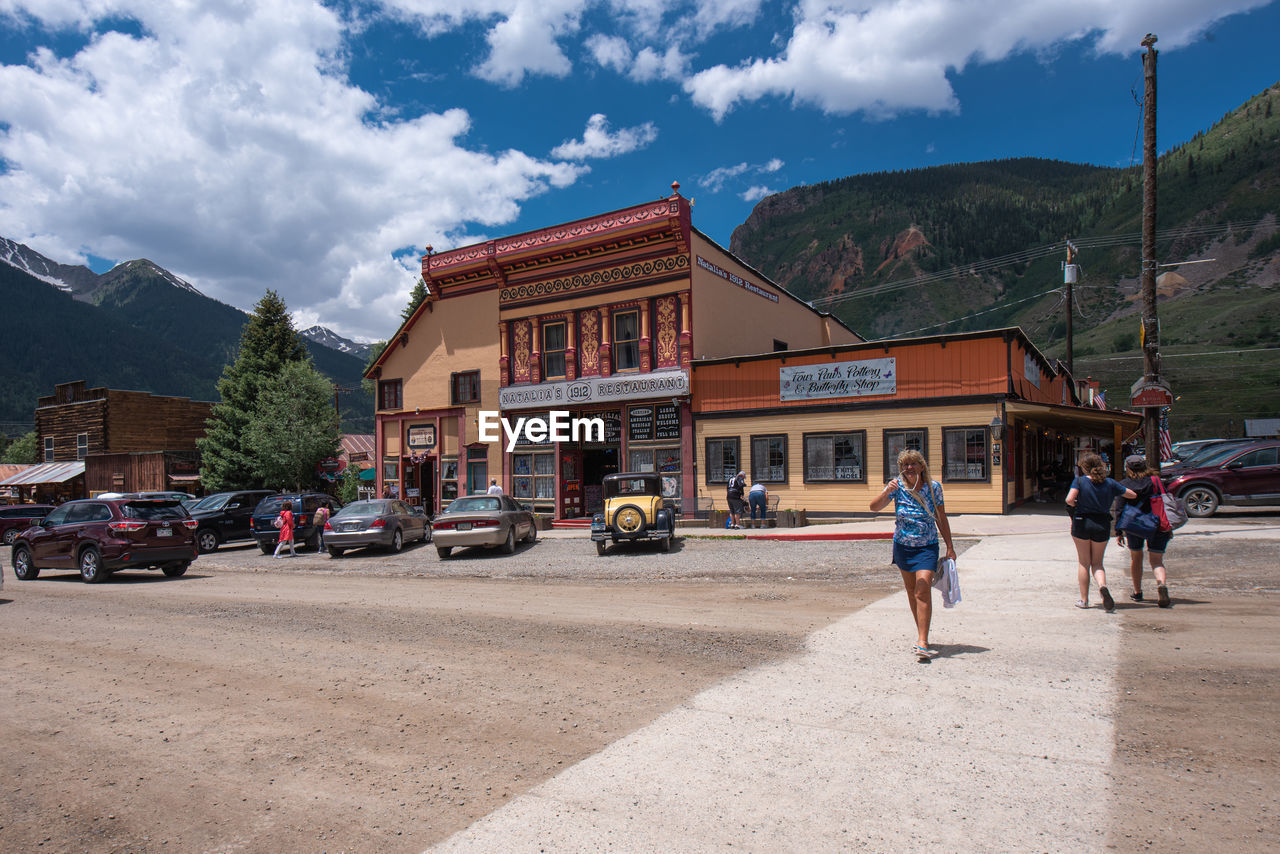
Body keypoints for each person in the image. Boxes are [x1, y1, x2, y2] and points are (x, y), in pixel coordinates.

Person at [869, 449, 956, 658]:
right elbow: (873, 507)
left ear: (921, 466)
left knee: (922, 588)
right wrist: (885, 492)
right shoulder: (896, 487)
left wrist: (950, 547)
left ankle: (923, 641)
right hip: (902, 547)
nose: (909, 468)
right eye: (904, 465)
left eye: (913, 464)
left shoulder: (933, 488)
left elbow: (941, 518)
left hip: (927, 546)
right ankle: (921, 634)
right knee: (911, 591)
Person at [1065, 453, 1136, 612]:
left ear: (1084, 467)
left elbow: (1069, 499)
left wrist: (1078, 503)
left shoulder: (1080, 481)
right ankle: (1103, 587)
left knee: (1084, 562)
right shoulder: (1110, 483)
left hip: (1082, 522)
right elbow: (1132, 494)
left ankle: (1084, 600)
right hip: (1102, 523)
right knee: (1097, 563)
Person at [1113, 454, 1173, 608]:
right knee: (1157, 561)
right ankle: (1161, 584)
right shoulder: (1155, 481)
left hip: (1135, 525)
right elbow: (1165, 499)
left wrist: (1118, 531)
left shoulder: (1124, 484)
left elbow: (1119, 509)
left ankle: (1138, 592)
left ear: (1127, 467)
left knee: (1136, 557)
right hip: (1158, 523)